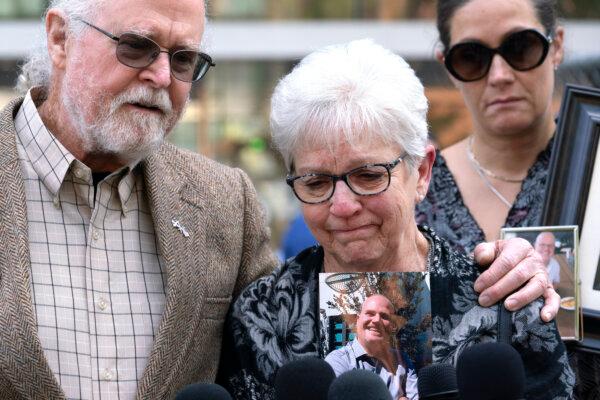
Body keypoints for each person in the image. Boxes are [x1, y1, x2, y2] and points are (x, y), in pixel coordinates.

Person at [217, 39, 574, 400]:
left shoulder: (502, 301)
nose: (342, 205)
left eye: (368, 176)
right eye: (316, 182)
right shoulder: (261, 315)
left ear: (421, 172)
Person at [0, 0, 278, 398]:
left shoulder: (226, 203)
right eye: (135, 46)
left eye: (183, 59)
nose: (162, 76)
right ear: (60, 38)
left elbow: (275, 359)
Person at [416, 0, 564, 255]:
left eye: (521, 47)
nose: (499, 76)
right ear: (448, 66)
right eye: (471, 57)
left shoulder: (592, 170)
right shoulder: (417, 189)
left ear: (556, 47)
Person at [325, 294, 418, 400]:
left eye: (384, 316)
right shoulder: (338, 361)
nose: (377, 320)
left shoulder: (402, 361)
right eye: (370, 314)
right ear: (357, 320)